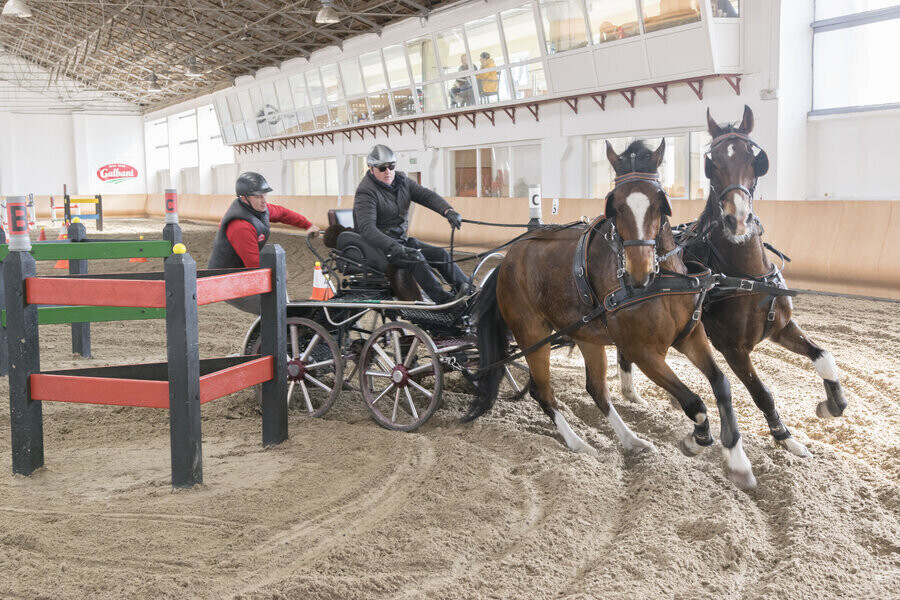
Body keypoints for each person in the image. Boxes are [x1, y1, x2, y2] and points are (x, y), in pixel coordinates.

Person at [353, 144, 470, 304]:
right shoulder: (366, 192)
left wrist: (447, 211)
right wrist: (392, 246)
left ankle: (467, 289)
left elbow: (426, 196)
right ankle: (443, 300)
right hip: (381, 248)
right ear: (371, 168)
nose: (387, 171)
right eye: (382, 168)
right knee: (416, 258)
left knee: (440, 254)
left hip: (402, 241)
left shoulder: (403, 181)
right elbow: (367, 229)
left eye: (391, 166)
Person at [208, 171, 321, 313]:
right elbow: (254, 264)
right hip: (227, 281)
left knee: (280, 303)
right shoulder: (240, 227)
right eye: (257, 196)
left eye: (264, 195)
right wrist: (278, 271)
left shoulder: (260, 209)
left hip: (243, 273)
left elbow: (283, 213)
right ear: (244, 198)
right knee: (273, 308)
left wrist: (307, 225)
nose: (264, 200)